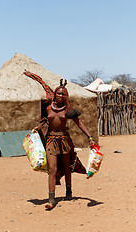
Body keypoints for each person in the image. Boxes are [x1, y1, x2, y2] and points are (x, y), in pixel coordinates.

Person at [44, 79, 95, 210]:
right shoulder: (48, 108)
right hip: (50, 140)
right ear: (55, 94)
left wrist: (89, 137)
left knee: (67, 167)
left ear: (66, 96)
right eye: (58, 93)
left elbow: (79, 123)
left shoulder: (68, 110)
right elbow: (45, 122)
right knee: (52, 169)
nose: (60, 96)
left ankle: (68, 192)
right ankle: (51, 199)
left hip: (64, 141)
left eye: (63, 94)